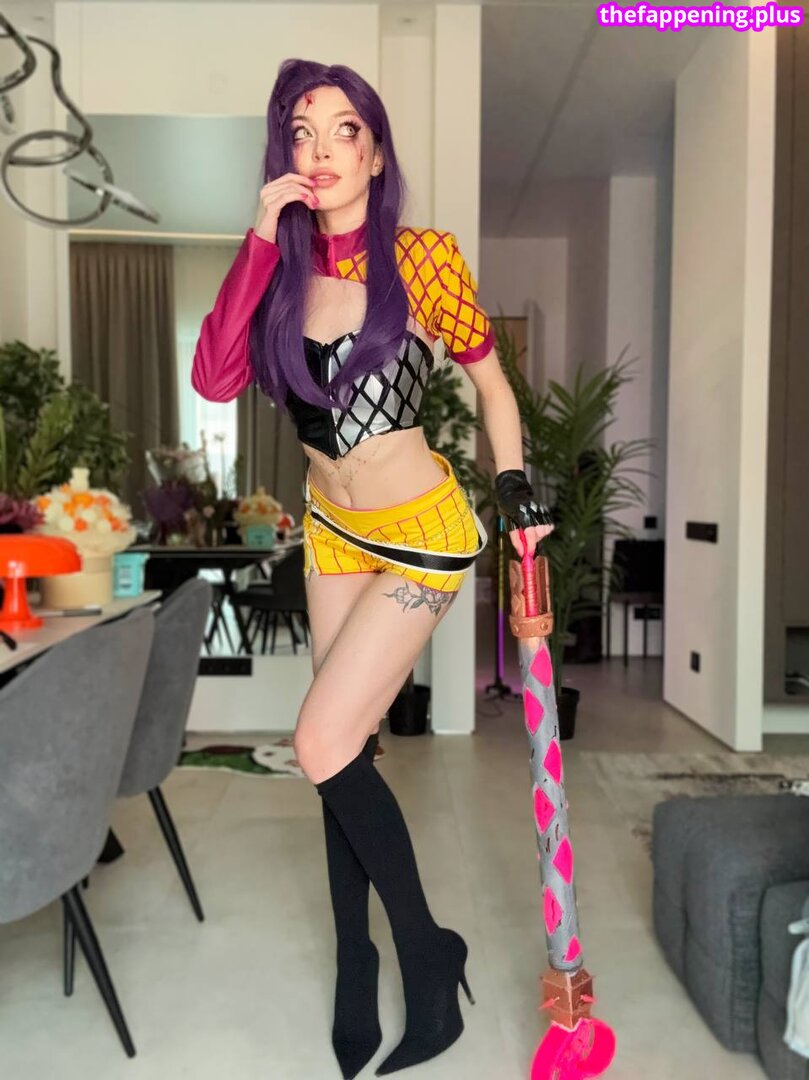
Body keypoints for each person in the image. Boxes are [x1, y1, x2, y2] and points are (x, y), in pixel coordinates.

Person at [192, 58, 553, 1079]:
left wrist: (513, 482)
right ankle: (357, 963)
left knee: (315, 737)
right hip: (332, 531)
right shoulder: (277, 273)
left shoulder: (419, 260)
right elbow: (212, 377)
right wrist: (258, 237)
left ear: (376, 153)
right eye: (300, 133)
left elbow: (490, 386)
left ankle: (425, 955)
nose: (320, 150)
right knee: (339, 751)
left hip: (420, 526)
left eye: (342, 130)